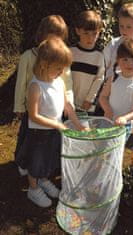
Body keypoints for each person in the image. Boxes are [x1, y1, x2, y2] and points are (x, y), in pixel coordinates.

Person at [16, 36, 87, 208]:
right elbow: (33, 116)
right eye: (58, 68)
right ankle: (33, 188)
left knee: (48, 159)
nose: (61, 72)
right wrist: (57, 124)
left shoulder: (58, 82)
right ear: (44, 64)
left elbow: (68, 107)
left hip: (53, 131)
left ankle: (43, 179)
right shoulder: (35, 86)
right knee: (36, 161)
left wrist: (78, 125)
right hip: (38, 133)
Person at [14, 15, 74, 175]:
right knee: (27, 137)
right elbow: (21, 83)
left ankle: (38, 166)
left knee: (45, 142)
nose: (55, 43)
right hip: (33, 106)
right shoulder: (28, 56)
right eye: (51, 37)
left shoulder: (60, 59)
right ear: (42, 34)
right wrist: (19, 105)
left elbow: (66, 83)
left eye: (59, 39)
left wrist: (69, 103)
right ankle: (23, 161)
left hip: (50, 108)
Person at [99, 39, 133, 140]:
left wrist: (125, 118)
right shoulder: (113, 78)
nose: (129, 64)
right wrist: (107, 109)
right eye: (125, 59)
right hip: (108, 120)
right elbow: (103, 97)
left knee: (115, 150)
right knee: (102, 147)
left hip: (124, 125)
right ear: (117, 60)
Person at [70, 10, 105, 114]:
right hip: (68, 104)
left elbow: (99, 80)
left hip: (87, 107)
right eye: (86, 33)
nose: (90, 38)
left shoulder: (99, 57)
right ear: (78, 31)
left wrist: (90, 99)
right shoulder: (70, 52)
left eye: (94, 34)